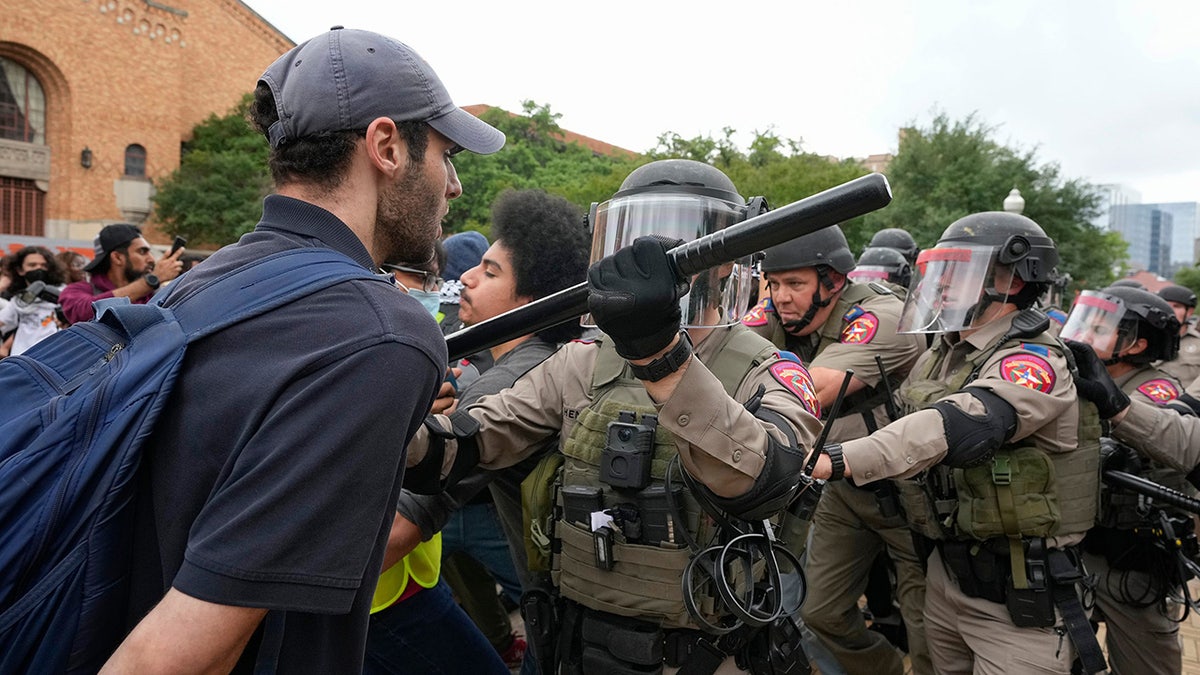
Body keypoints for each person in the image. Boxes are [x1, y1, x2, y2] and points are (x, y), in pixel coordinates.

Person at [102, 26, 505, 673]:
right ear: (386, 146)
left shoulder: (201, 285)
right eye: (447, 155)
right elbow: (176, 655)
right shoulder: (384, 333)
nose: (454, 185)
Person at [401, 159, 824, 673]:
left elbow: (766, 481)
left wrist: (660, 355)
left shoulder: (770, 370)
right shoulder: (583, 359)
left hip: (709, 654)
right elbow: (467, 444)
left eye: (676, 243)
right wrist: (394, 420)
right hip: (580, 644)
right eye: (634, 242)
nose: (650, 259)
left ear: (724, 259)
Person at [809, 211, 1104, 675]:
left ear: (1010, 279)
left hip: (1020, 601)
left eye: (960, 271)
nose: (943, 286)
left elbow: (962, 425)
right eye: (941, 271)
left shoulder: (1034, 360)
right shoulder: (942, 352)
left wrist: (837, 459)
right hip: (948, 577)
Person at [374, 189, 590, 674]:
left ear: (532, 300)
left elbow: (407, 522)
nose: (465, 277)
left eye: (491, 272)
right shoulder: (522, 361)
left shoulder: (510, 381)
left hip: (562, 625)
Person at [744, 225, 930, 674]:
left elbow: (814, 389)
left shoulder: (882, 315)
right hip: (840, 487)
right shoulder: (781, 310)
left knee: (926, 624)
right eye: (773, 283)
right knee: (820, 612)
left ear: (833, 281)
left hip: (910, 493)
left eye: (795, 283)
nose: (779, 296)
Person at [1058, 285, 1193, 675]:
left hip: (1128, 559)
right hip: (1078, 548)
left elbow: (1149, 442)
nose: (1084, 333)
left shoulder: (1154, 388)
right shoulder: (1082, 379)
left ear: (1135, 345)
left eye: (1100, 326)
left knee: (1147, 664)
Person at [59, 223, 185, 324]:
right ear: (117, 257)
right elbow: (85, 312)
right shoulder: (77, 290)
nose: (151, 259)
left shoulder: (156, 295)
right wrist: (153, 279)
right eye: (142, 252)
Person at [0, 246, 66, 356]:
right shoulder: (18, 300)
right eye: (32, 265)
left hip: (54, 358)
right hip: (23, 360)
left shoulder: (64, 292)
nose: (38, 268)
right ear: (20, 270)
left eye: (43, 265)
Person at [1157, 283, 1200, 385]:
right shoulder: (1143, 341)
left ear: (1189, 311)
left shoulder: (1198, 343)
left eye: (1177, 306)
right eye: (1165, 304)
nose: (1170, 310)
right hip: (1143, 399)